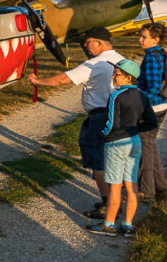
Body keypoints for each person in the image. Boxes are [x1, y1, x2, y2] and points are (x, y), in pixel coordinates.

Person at [28, 26, 124, 218]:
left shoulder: (96, 63)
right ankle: (115, 200)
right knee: (114, 159)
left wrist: (38, 82)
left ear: (99, 43)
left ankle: (108, 205)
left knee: (97, 160)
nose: (85, 45)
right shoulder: (121, 59)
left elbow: (63, 80)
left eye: (88, 42)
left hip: (100, 116)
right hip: (120, 114)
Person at [85, 59, 156, 237]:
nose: (113, 77)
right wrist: (135, 129)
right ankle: (128, 225)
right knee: (131, 184)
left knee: (115, 186)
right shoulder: (143, 96)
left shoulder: (117, 95)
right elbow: (151, 121)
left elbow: (111, 123)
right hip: (134, 142)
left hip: (116, 143)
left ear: (127, 77)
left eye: (116, 74)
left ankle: (109, 224)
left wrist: (102, 135)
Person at [136, 23, 167, 200]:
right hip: (160, 106)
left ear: (156, 39)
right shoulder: (159, 54)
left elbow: (154, 86)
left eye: (144, 37)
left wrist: (137, 102)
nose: (140, 40)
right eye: (141, 36)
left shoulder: (150, 57)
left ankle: (147, 190)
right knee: (150, 146)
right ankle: (161, 187)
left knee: (144, 149)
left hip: (151, 108)